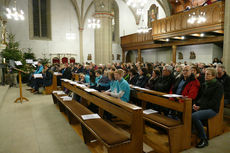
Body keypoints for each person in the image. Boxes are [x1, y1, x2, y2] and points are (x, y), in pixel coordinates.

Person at [192, 68, 224, 148]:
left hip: (212, 109)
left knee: (194, 116)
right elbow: (200, 97)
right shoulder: (205, 84)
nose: (205, 76)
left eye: (208, 74)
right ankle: (191, 132)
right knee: (186, 110)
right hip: (203, 107)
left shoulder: (218, 86)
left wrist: (200, 107)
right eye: (205, 74)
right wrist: (195, 104)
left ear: (213, 76)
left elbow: (214, 102)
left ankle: (204, 139)